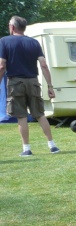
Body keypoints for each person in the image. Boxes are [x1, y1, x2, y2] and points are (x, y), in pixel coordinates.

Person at [0, 16, 59, 156]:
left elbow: (2, 66)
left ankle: (26, 149)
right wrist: (50, 86)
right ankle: (52, 146)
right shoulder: (34, 42)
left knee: (21, 116)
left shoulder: (4, 41)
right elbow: (43, 64)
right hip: (33, 81)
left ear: (12, 27)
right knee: (40, 114)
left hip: (15, 83)